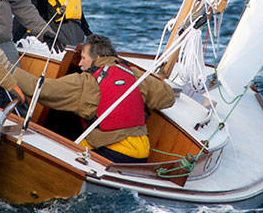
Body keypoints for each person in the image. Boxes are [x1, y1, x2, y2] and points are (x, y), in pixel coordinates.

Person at [13, 34, 174, 163]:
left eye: (83, 58)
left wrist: (5, 69)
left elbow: (39, 89)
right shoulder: (134, 74)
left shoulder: (86, 82)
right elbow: (168, 98)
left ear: (96, 58)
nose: (81, 64)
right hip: (141, 154)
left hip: (111, 152)